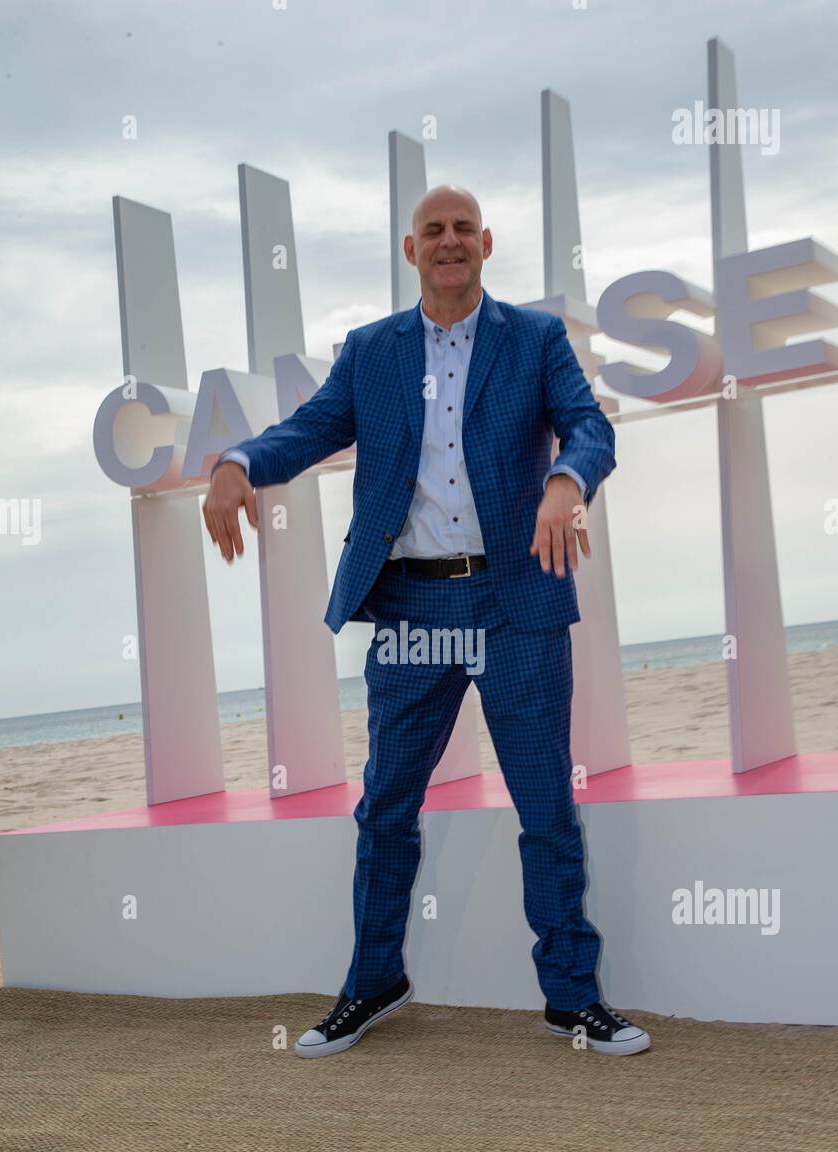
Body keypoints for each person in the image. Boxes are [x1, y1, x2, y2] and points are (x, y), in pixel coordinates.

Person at [204, 185, 650, 1060]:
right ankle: (373, 984)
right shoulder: (372, 352)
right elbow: (310, 429)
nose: (449, 243)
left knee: (545, 807)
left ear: (485, 243)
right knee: (386, 809)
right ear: (412, 252)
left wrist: (568, 482)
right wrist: (237, 462)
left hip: (515, 602)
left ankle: (573, 1000)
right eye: (431, 232)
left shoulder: (535, 338)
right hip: (411, 604)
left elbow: (589, 426)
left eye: (461, 230)